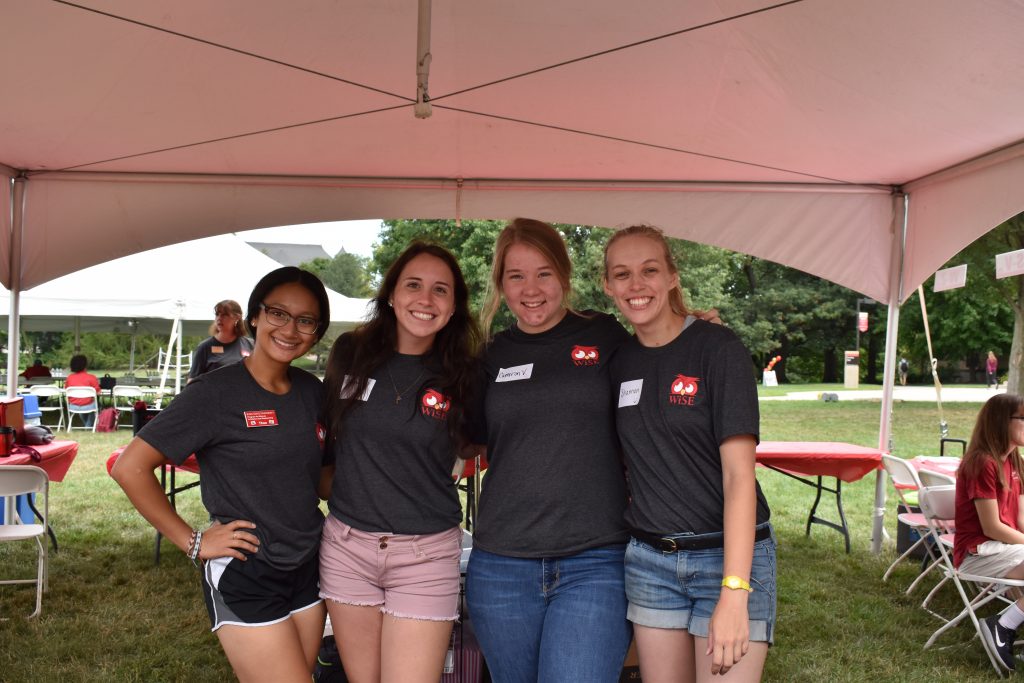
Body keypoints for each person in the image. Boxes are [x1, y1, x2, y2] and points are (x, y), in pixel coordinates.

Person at [112, 267, 332, 683]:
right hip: (247, 568)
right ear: (254, 316)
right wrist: (192, 541)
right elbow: (130, 467)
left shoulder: (312, 391)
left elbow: (321, 480)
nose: (290, 329)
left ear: (316, 332)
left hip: (309, 563)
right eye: (278, 314)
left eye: (306, 320)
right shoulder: (215, 392)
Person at [464, 218, 635, 682]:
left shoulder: (605, 335)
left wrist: (692, 331)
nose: (531, 289)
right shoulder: (489, 354)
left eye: (543, 273)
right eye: (515, 276)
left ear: (564, 275)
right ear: (500, 283)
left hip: (595, 559)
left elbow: (660, 363)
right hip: (501, 564)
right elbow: (463, 440)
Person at [603, 225, 775, 681]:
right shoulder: (618, 362)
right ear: (608, 286)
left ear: (673, 276)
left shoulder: (718, 349)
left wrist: (734, 592)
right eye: (622, 274)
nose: (636, 285)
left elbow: (739, 477)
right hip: (650, 562)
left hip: (730, 558)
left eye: (649, 270)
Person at [318, 242, 481, 683]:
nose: (425, 300)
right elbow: (324, 441)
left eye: (440, 290)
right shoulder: (350, 351)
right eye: (413, 285)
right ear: (391, 294)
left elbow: (482, 443)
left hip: (425, 555)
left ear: (454, 306)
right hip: (347, 547)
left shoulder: (467, 372)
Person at [953, 393, 1024, 672]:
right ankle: (1002, 626)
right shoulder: (982, 463)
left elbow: (1020, 519)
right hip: (978, 552)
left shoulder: (1015, 462)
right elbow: (991, 526)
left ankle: (1007, 626)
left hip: (1005, 548)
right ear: (1001, 422)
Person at [188, 299, 254, 382]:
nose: (219, 318)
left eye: (225, 315)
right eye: (217, 314)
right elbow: (192, 381)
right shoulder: (204, 347)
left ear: (237, 317)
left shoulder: (251, 345)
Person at [65, 354, 101, 427]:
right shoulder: (91, 377)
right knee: (97, 405)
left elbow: (66, 390)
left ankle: (87, 426)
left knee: (86, 405)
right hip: (89, 406)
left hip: (73, 406)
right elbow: (98, 392)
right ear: (85, 365)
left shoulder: (69, 378)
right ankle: (88, 427)